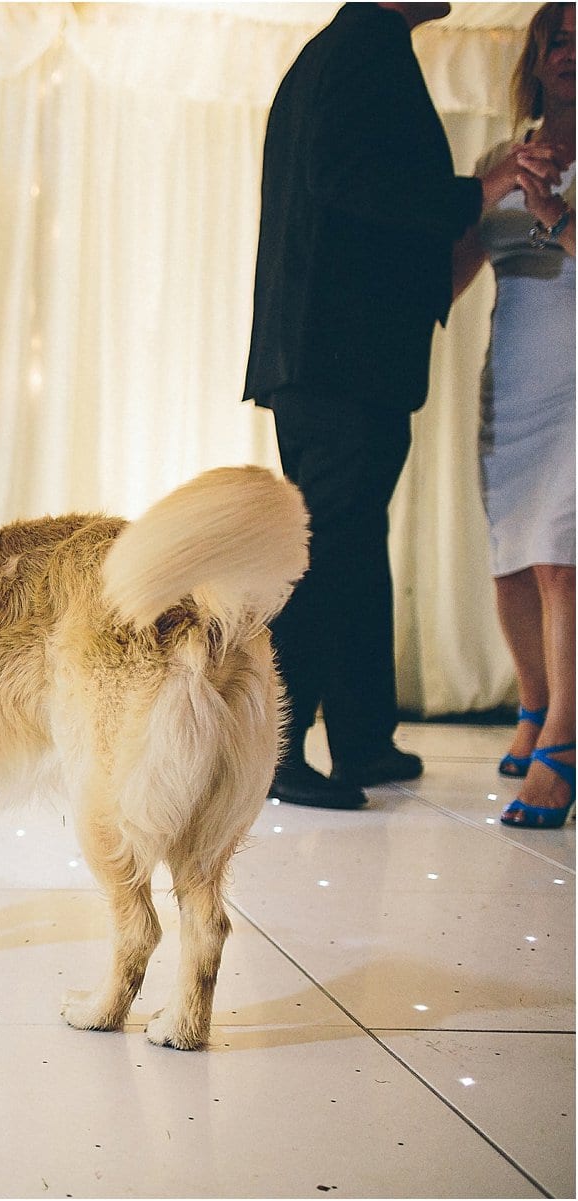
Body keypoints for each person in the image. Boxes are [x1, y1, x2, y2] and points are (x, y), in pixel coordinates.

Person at [242, 1, 563, 810]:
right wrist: (479, 186)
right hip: (340, 356)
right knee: (328, 543)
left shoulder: (351, 51)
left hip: (332, 354)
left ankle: (362, 738)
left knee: (352, 541)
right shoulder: (363, 53)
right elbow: (351, 183)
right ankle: (275, 749)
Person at [452, 1, 575, 828]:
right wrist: (484, 192)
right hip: (513, 379)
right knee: (510, 559)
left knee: (561, 556)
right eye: (557, 40)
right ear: (534, 58)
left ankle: (564, 742)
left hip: (577, 381)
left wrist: (555, 217)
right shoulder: (506, 153)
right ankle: (532, 705)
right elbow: (453, 276)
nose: (569, 53)